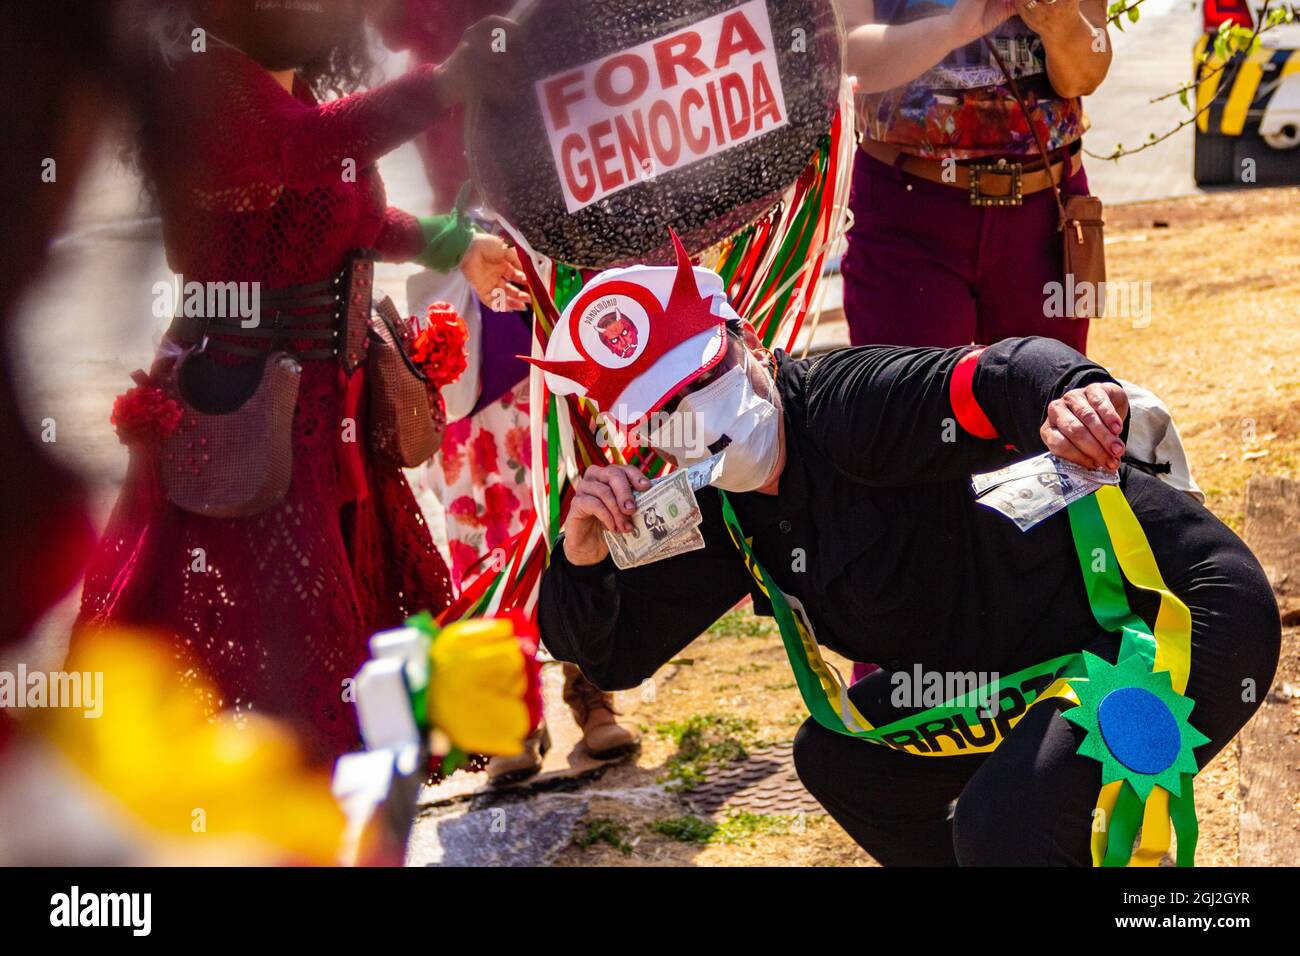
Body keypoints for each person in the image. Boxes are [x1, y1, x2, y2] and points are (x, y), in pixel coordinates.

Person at [529, 242, 1280, 865]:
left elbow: (999, 372)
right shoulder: (721, 506)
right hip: (1029, 667)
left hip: (1174, 614)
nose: (696, 417)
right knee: (844, 761)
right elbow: (614, 655)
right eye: (664, 413)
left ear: (748, 342)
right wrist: (583, 552)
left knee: (1006, 822)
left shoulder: (842, 403)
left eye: (705, 379)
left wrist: (1073, 393)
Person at [76, 1, 523, 764]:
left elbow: (358, 219)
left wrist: (456, 244)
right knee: (283, 652)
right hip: (250, 417)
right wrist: (444, 83)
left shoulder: (298, 86)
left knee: (345, 642)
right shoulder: (211, 81)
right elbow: (299, 149)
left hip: (332, 411)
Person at [377, 0, 641, 783]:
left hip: (560, 290)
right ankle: (507, 713)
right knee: (485, 512)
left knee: (572, 496)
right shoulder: (418, 22)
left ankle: (593, 692)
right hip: (461, 299)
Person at [838, 0, 1110, 352]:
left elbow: (1086, 76)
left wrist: (1062, 25)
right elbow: (848, 58)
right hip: (908, 213)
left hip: (1047, 213)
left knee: (1045, 402)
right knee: (912, 402)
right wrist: (951, 29)